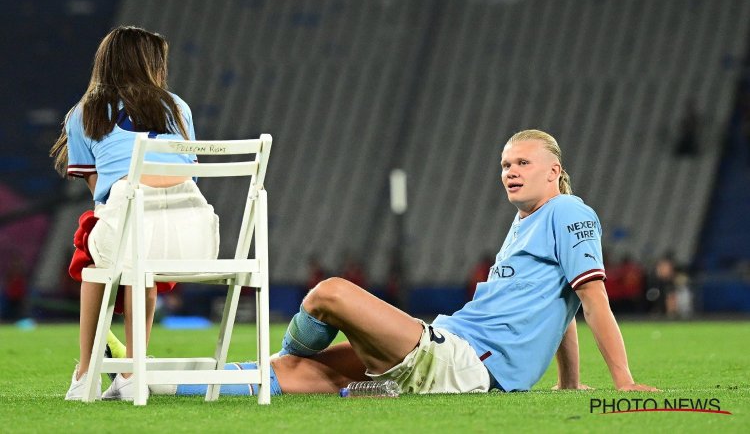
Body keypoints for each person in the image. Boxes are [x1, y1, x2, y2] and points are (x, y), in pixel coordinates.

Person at [169, 129, 657, 398]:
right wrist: (568, 383)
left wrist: (624, 382)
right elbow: (563, 305)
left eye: (522, 164)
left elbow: (591, 297)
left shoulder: (569, 211)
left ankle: (295, 357)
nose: (509, 172)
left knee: (329, 294)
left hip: (465, 360)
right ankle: (154, 382)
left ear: (554, 171)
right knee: (302, 370)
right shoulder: (526, 222)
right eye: (505, 165)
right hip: (454, 347)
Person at [49, 26, 219, 401]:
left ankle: (86, 371)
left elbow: (100, 193)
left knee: (94, 248)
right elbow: (184, 174)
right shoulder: (176, 106)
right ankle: (132, 368)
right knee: (139, 256)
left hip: (128, 230)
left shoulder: (84, 112)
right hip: (194, 238)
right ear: (149, 63)